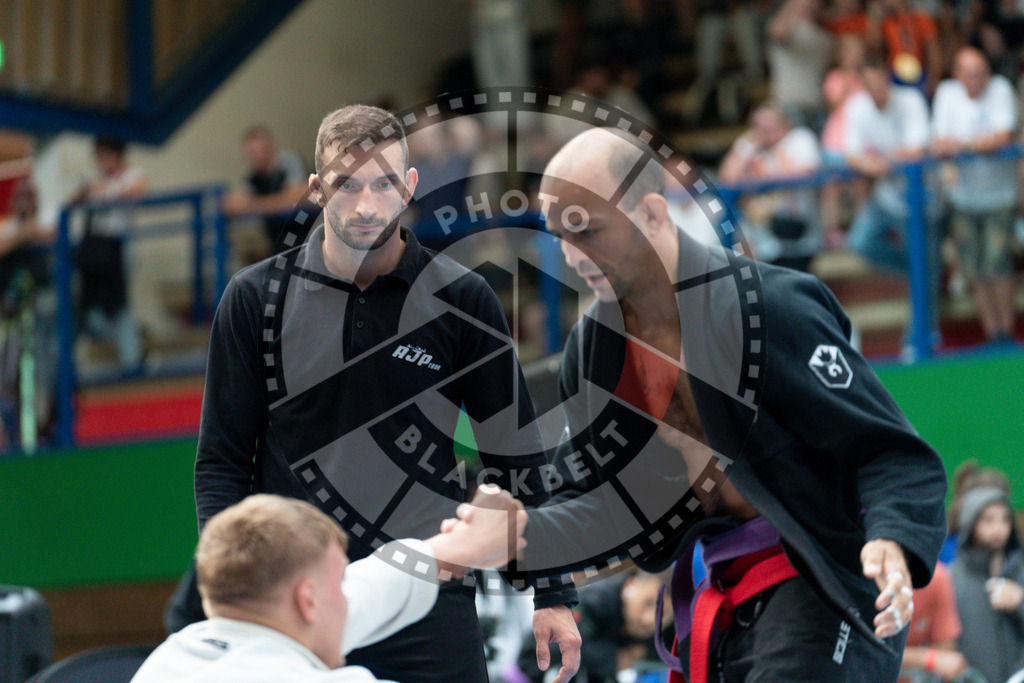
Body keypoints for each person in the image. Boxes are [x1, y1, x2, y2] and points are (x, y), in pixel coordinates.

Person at [523, 126, 947, 681]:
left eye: (588, 231)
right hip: (714, 581)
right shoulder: (594, 351)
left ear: (653, 213)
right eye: (558, 236)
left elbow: (890, 452)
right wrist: (550, 587)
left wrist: (891, 538)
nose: (571, 256)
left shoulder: (771, 307)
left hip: (817, 567)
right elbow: (580, 487)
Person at [194, 104, 581, 683]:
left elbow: (515, 452)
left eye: (385, 183)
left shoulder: (462, 299)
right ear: (317, 189)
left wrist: (552, 590)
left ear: (411, 186)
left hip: (431, 591)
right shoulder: (254, 300)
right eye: (347, 185)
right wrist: (231, 594)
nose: (367, 204)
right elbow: (223, 463)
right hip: (298, 600)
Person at [133, 487, 528, 682]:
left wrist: (464, 545)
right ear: (308, 600)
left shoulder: (165, 663)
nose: (347, 595)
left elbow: (369, 587)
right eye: (338, 583)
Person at [932, 47, 1018, 345]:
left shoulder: (1001, 88)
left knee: (998, 264)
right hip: (964, 198)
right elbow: (940, 143)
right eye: (970, 74)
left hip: (1000, 197)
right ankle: (992, 333)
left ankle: (1007, 332)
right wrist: (974, 145)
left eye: (982, 73)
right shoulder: (946, 93)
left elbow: (1001, 136)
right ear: (957, 75)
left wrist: (962, 146)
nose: (978, 80)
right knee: (973, 268)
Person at [718, 102, 823, 272]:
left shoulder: (800, 138)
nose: (766, 129)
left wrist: (763, 173)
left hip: (797, 236)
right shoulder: (752, 146)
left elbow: (807, 169)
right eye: (760, 125)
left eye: (771, 122)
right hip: (763, 242)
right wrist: (747, 144)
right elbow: (728, 177)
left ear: (784, 122)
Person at [515, 569, 671, 683]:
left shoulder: (663, 636)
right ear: (631, 585)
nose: (649, 619)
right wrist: (614, 659)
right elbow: (557, 646)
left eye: (663, 615)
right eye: (648, 603)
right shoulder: (596, 600)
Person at [73, 136, 147, 368]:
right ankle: (134, 341)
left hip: (119, 248)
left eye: (106, 154)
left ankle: (131, 359)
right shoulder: (94, 180)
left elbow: (136, 191)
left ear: (117, 154)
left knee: (119, 305)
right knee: (92, 312)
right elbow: (73, 201)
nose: (102, 160)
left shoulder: (133, 174)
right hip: (97, 253)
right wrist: (90, 191)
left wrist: (102, 191)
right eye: (99, 155)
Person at [950, 485, 1024, 683]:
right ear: (970, 522)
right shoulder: (952, 580)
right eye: (988, 519)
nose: (998, 528)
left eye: (1005, 519)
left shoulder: (1020, 573)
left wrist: (1020, 602)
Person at [222, 125, 310, 257]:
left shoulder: (288, 162)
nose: (257, 156)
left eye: (260, 149)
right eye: (252, 152)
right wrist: (277, 203)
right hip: (276, 239)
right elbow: (231, 205)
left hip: (305, 232)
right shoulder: (252, 178)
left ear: (271, 147)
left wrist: (254, 206)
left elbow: (296, 197)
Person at [898, 562, 970, 683]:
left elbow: (947, 654)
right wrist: (928, 658)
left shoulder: (935, 576)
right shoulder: (869, 573)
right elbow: (868, 654)